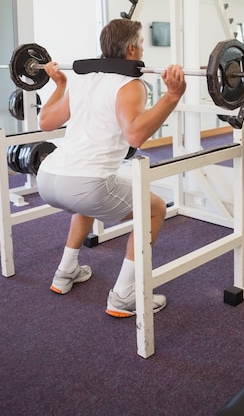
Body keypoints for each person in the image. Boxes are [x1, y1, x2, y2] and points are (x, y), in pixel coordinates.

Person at [36, 18, 186, 316]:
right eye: (141, 43)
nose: (143, 48)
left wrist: (61, 85)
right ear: (131, 48)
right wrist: (172, 96)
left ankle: (65, 273)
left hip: (48, 178)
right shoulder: (130, 84)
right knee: (155, 209)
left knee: (89, 202)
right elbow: (135, 135)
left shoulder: (83, 79)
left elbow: (45, 122)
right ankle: (124, 296)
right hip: (85, 184)